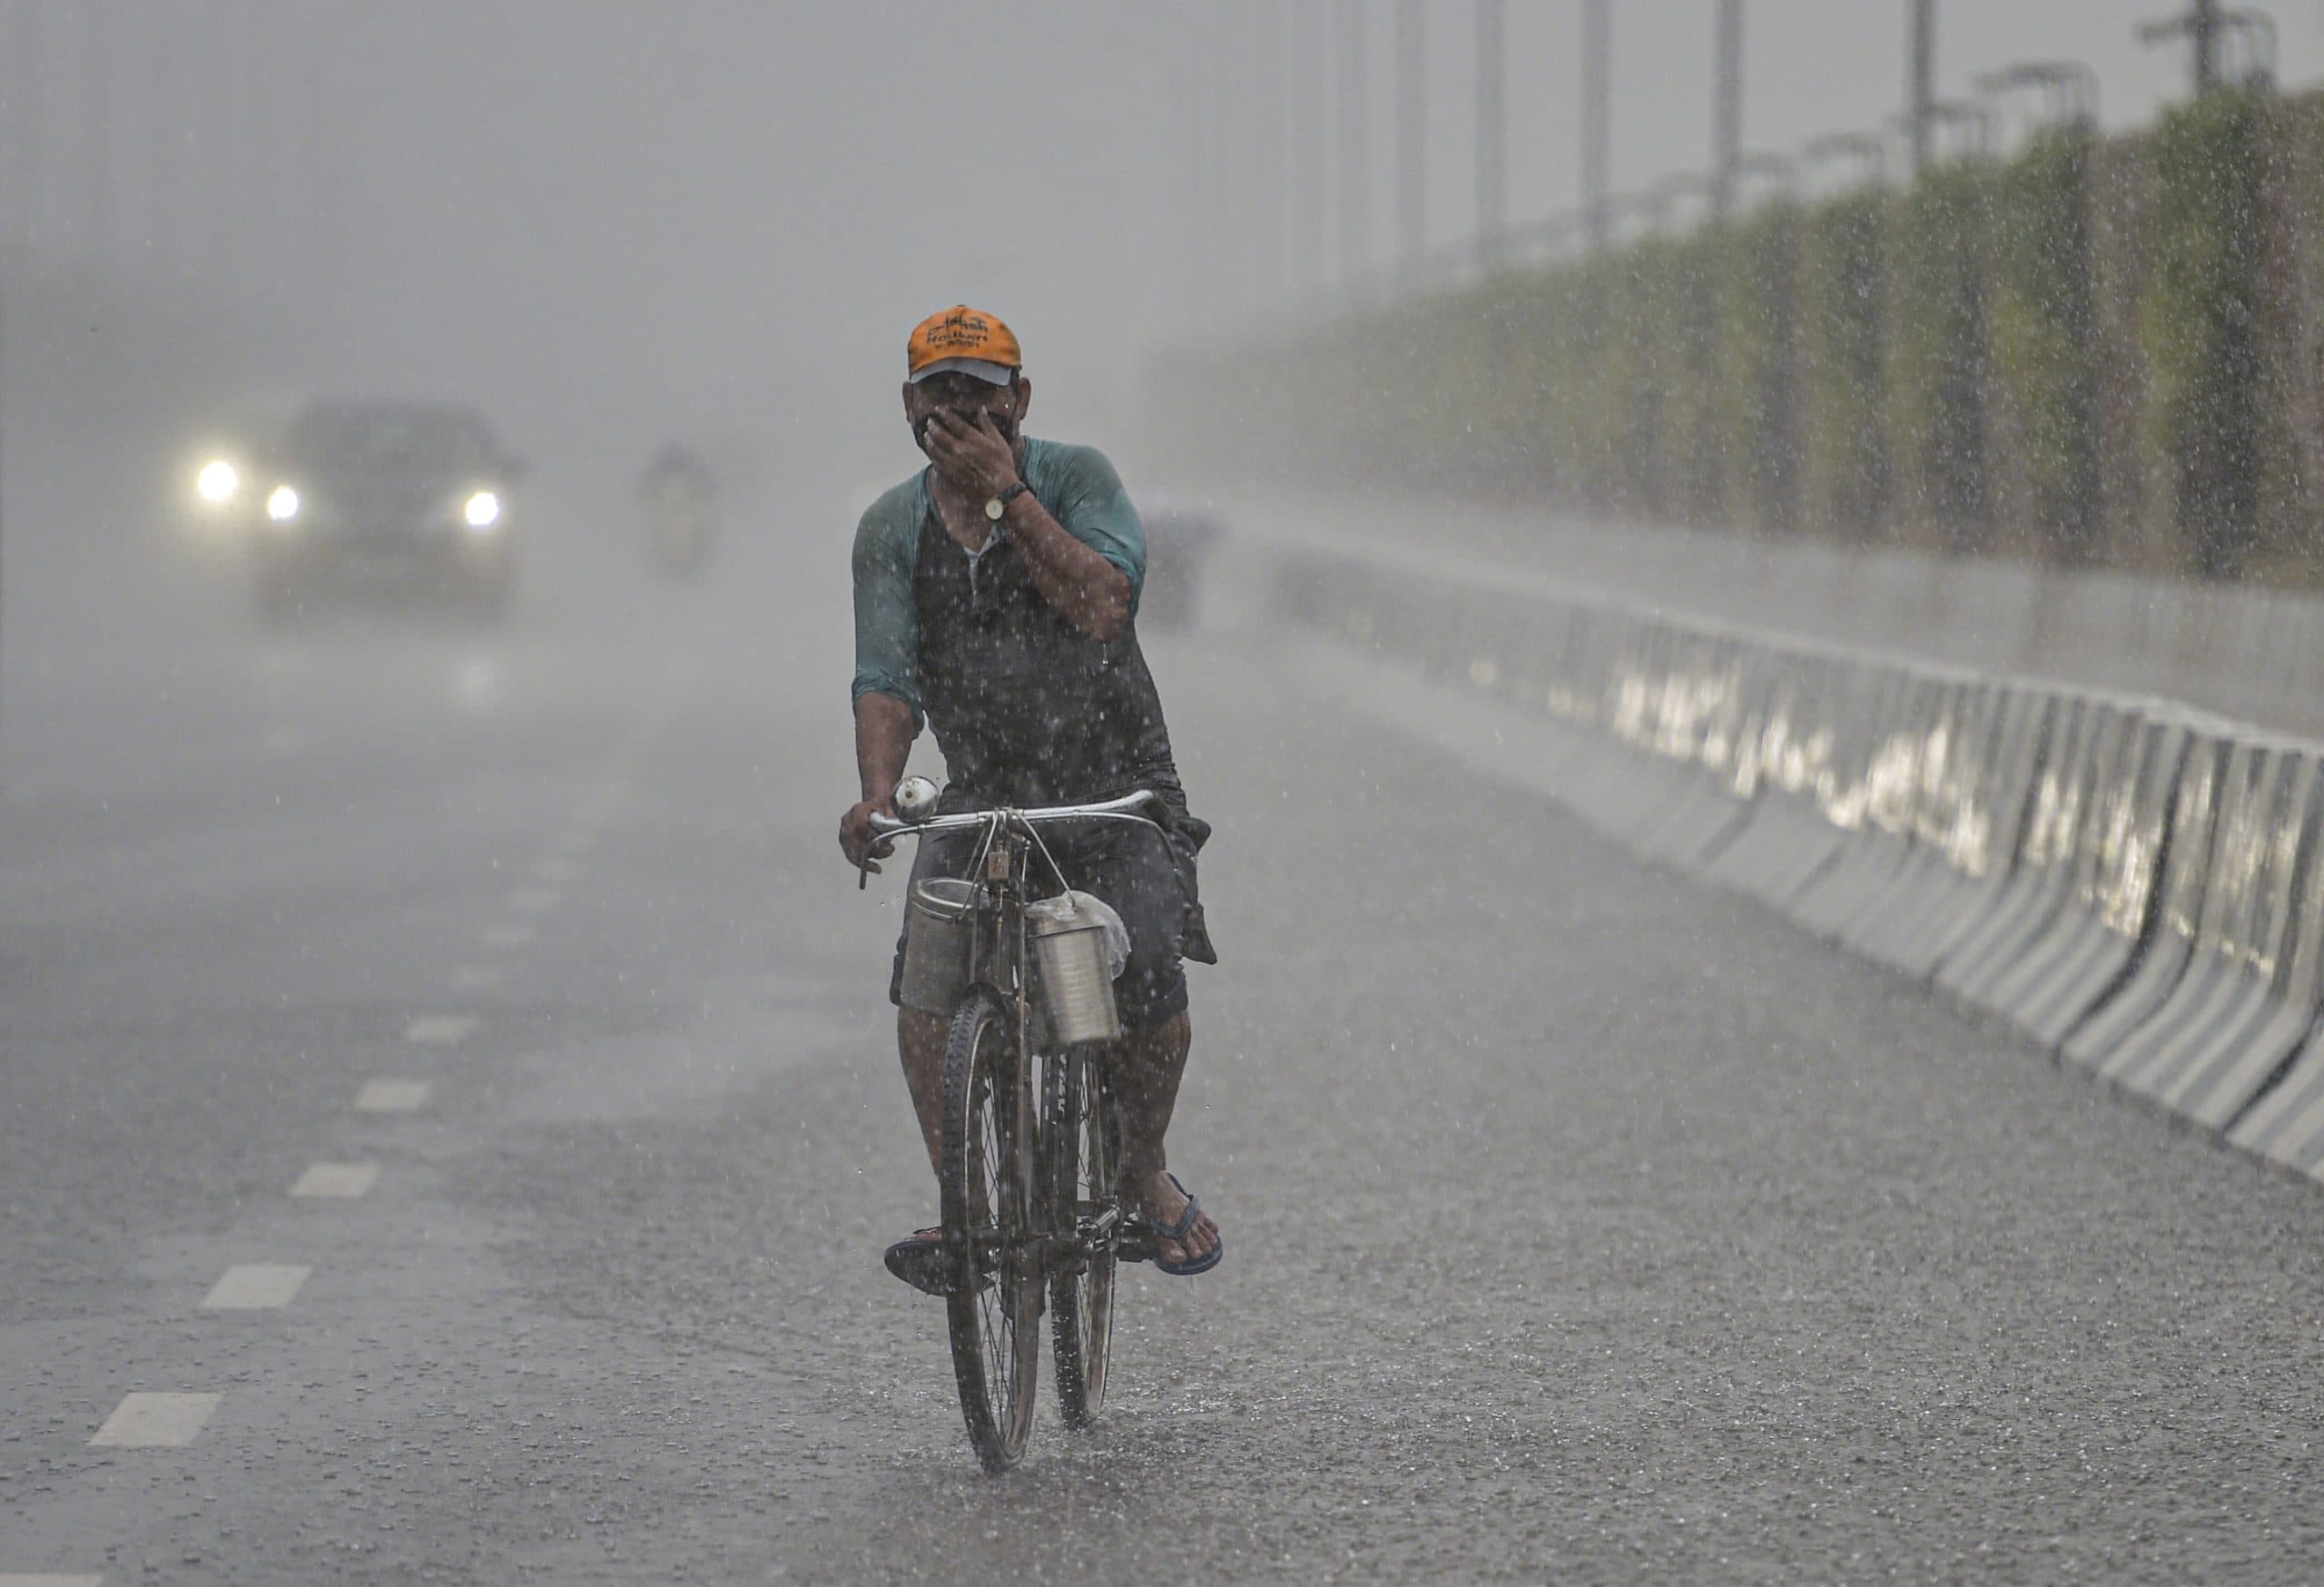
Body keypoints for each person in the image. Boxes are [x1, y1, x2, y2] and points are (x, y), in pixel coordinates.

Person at [840, 305, 1223, 1289]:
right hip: (986, 791)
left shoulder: (1076, 478)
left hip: (1111, 787)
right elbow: (886, 674)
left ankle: (1142, 1171)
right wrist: (878, 796)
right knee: (928, 974)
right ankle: (960, 1205)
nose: (961, 406)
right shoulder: (891, 526)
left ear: (1020, 399)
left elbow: (1103, 603)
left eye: (982, 388)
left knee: (1146, 980)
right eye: (941, 391)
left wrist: (1007, 498)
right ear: (909, 405)